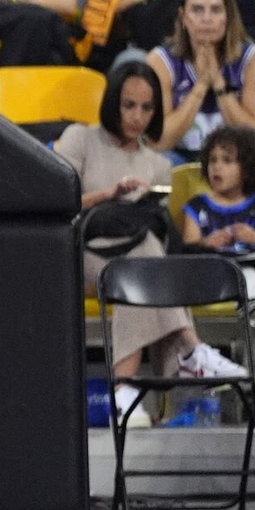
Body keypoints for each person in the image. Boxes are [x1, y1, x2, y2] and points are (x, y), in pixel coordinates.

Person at [57, 63, 233, 431]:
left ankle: (124, 390)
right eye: (129, 105)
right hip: (83, 252)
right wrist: (109, 195)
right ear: (112, 103)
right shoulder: (80, 138)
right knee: (146, 262)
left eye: (147, 108)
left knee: (142, 258)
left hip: (128, 264)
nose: (137, 116)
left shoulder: (157, 165)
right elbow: (59, 203)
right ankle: (189, 348)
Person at [148, 0, 255, 158]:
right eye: (197, 10)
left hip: (238, 161)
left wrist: (219, 85)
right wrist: (201, 86)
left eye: (216, 10)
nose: (207, 18)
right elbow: (159, 142)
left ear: (228, 16)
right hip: (178, 157)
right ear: (183, 17)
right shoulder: (160, 62)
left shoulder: (253, 60)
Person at [183, 125, 255, 260]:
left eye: (227, 160)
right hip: (211, 275)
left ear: (248, 166)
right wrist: (205, 243)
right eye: (212, 160)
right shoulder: (196, 206)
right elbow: (186, 253)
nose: (217, 167)